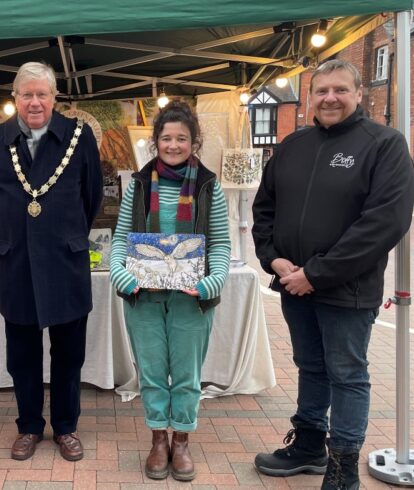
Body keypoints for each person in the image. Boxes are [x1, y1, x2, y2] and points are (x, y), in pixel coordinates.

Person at [252, 59, 414, 490]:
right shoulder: (292, 144)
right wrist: (273, 259)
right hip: (294, 285)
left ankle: (342, 469)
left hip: (348, 288)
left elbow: (384, 222)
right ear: (310, 97)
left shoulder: (385, 144)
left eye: (340, 90)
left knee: (347, 374)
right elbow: (264, 208)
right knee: (310, 366)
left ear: (359, 94)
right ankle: (308, 445)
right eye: (321, 90)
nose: (329, 98)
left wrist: (317, 274)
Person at [0, 61, 103, 462]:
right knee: (22, 354)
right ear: (14, 99)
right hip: (17, 263)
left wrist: (61, 234)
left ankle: (66, 427)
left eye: (42, 94)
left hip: (66, 263)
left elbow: (92, 198)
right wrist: (18, 235)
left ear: (54, 98)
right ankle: (29, 425)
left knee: (69, 353)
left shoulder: (79, 138)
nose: (34, 102)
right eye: (26, 94)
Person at [109, 101, 230, 481]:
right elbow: (121, 239)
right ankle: (158, 437)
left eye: (181, 138)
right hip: (144, 297)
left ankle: (182, 440)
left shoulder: (210, 186)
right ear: (155, 142)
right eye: (166, 138)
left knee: (187, 374)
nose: (173, 145)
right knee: (152, 373)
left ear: (194, 142)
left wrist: (212, 281)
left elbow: (222, 246)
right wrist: (119, 272)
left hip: (191, 300)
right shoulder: (140, 184)